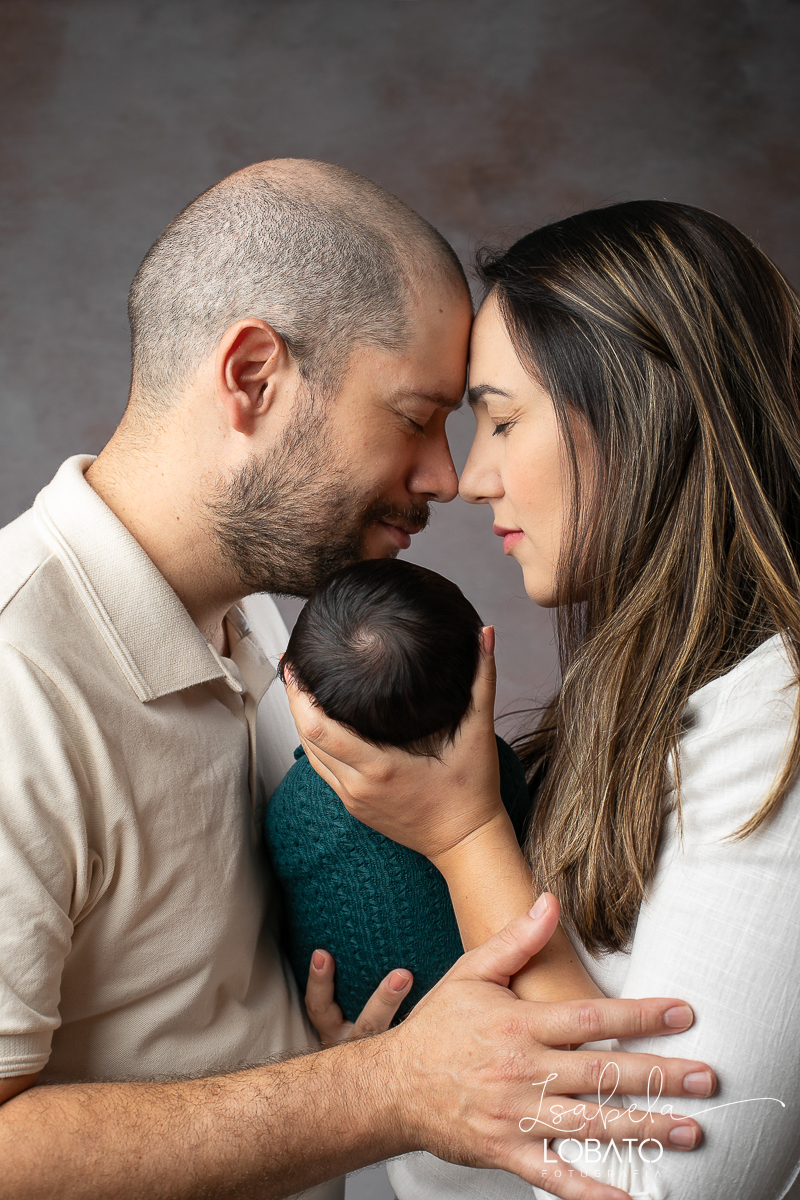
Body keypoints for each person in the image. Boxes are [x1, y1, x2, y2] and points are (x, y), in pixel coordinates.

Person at [0, 162, 714, 1200]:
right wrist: (383, 1090)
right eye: (417, 415)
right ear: (252, 377)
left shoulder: (253, 619)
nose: (445, 475)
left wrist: (321, 1041)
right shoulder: (18, 676)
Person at [286, 200, 800, 1200]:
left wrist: (466, 830)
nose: (469, 479)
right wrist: (395, 1075)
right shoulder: (646, 702)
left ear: (642, 412)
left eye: (502, 419)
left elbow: (659, 1187)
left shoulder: (778, 713)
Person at [267, 558, 535, 1023]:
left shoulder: (299, 810)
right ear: (480, 668)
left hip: (366, 1031)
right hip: (480, 1023)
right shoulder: (502, 770)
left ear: (292, 679)